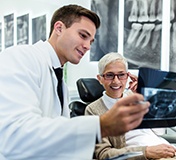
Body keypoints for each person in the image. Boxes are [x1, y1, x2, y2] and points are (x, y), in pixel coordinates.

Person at [0, 5, 150, 159]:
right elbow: (15, 136)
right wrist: (101, 126)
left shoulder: (60, 82)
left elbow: (59, 142)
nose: (87, 46)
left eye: (91, 41)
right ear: (59, 28)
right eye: (83, 35)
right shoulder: (20, 57)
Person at [85, 52, 176, 160]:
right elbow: (104, 155)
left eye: (121, 75)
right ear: (100, 78)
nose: (116, 81)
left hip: (170, 151)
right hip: (147, 157)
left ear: (127, 76)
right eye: (109, 75)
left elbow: (160, 131)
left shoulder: (134, 97)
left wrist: (145, 98)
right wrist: (146, 152)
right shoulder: (93, 110)